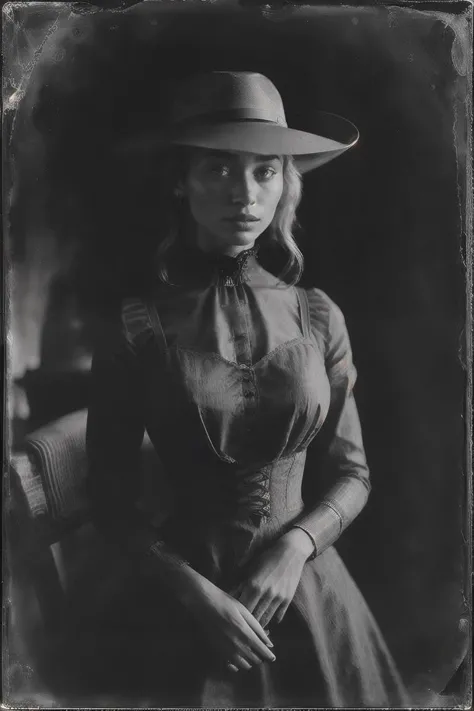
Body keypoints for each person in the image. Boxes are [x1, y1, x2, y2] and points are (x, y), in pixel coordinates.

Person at [86, 71, 409, 707]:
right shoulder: (136, 326)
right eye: (220, 170)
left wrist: (295, 547)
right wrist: (195, 595)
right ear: (180, 180)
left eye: (265, 171)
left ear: (286, 182)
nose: (245, 195)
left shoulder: (319, 316)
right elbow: (109, 499)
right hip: (187, 602)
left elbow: (354, 474)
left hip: (310, 592)